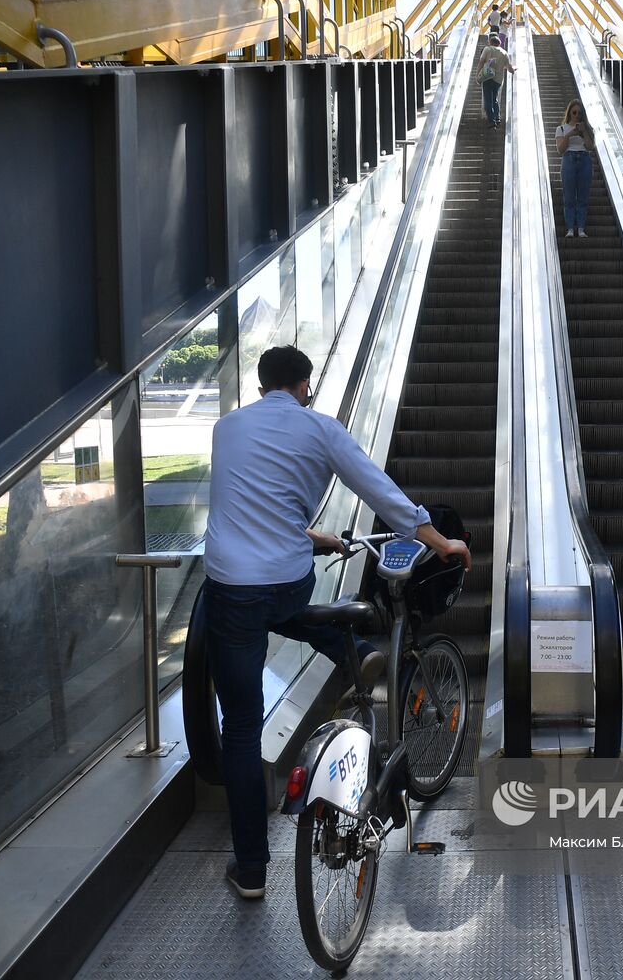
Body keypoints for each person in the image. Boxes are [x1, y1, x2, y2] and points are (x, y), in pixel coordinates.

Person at [202, 345, 471, 900]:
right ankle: (357, 652)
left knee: (243, 731)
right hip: (285, 581)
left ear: (261, 388)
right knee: (295, 606)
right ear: (305, 386)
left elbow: (247, 502)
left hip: (230, 589)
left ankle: (251, 870)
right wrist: (441, 541)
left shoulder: (226, 430)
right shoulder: (320, 428)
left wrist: (306, 536)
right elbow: (380, 492)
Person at [555, 98, 596, 237]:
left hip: (584, 160)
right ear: (569, 113)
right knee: (569, 196)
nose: (576, 115)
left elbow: (590, 147)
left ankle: (581, 228)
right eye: (574, 112)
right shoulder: (561, 129)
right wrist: (569, 134)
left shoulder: (588, 129)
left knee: (583, 196)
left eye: (579, 113)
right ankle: (570, 228)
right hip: (569, 160)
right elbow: (560, 150)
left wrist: (584, 132)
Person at [476, 35, 515, 130]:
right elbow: (509, 68)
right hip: (498, 80)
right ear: (499, 43)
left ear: (490, 42)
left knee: (488, 100)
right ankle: (497, 118)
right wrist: (514, 70)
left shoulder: (487, 49)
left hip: (488, 77)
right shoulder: (504, 53)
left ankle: (491, 121)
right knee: (494, 99)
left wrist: (477, 74)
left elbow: (481, 61)